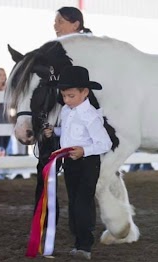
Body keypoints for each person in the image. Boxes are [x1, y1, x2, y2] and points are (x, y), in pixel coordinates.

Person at [44, 66, 112, 260]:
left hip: (88, 164)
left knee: (83, 202)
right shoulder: (67, 111)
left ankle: (85, 245)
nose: (66, 100)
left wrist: (84, 151)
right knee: (74, 202)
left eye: (71, 96)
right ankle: (78, 242)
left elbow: (105, 143)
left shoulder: (90, 115)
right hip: (71, 163)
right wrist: (54, 132)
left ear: (85, 92)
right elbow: (68, 134)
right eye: (64, 96)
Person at [33, 6, 93, 222]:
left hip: (82, 129)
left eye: (60, 21)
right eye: (55, 21)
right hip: (55, 125)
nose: (55, 25)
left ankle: (81, 231)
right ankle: (43, 225)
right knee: (46, 173)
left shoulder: (93, 49)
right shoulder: (51, 52)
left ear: (75, 24)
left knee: (79, 181)